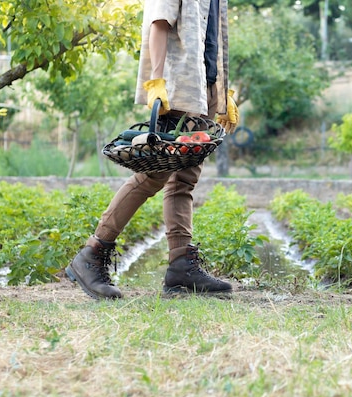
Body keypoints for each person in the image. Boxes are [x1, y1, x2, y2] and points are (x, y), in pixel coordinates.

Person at [65, 0, 239, 299]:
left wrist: (221, 92)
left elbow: (211, 41)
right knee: (154, 175)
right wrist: (156, 81)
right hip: (177, 88)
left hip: (202, 90)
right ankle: (92, 253)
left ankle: (181, 266)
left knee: (184, 181)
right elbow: (159, 20)